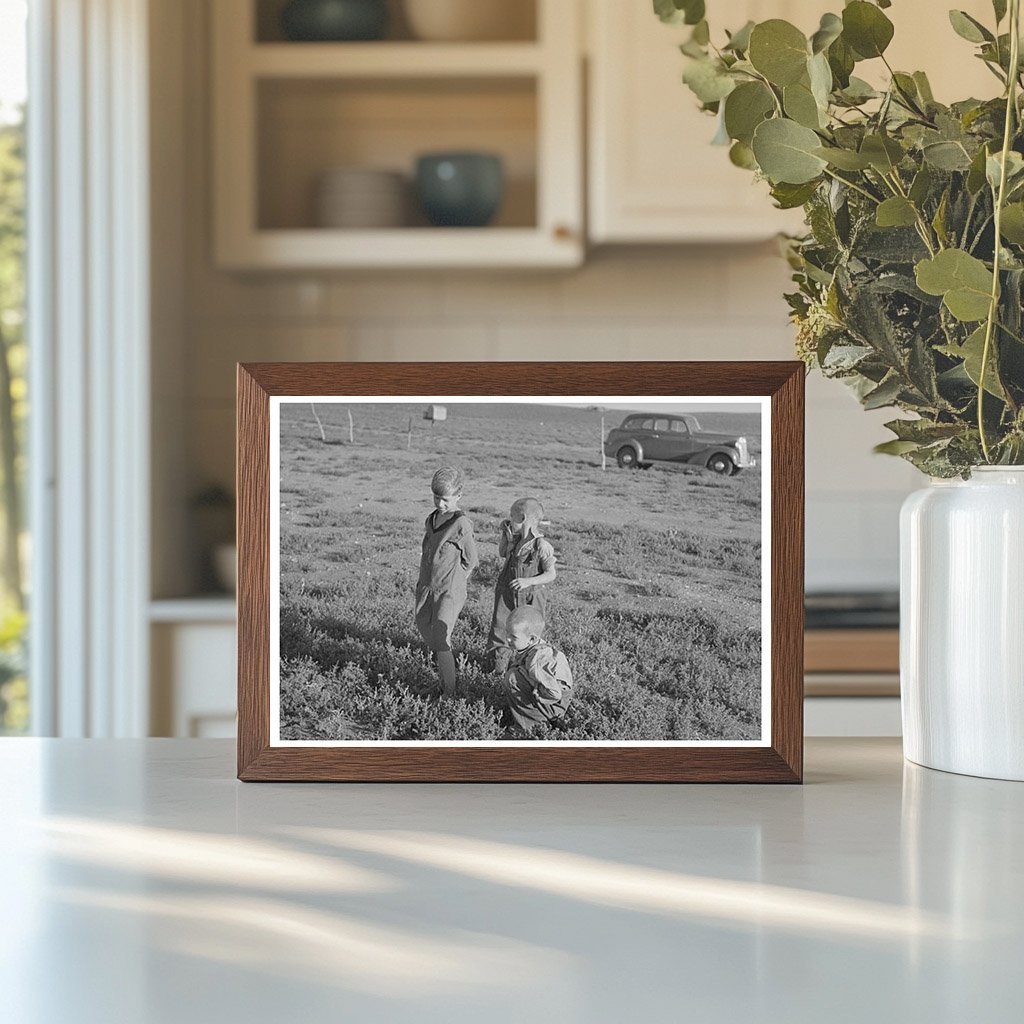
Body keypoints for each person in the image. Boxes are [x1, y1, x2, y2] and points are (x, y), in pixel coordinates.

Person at [415, 466, 478, 696]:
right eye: (436, 497)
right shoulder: (432, 518)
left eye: (445, 499)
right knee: (427, 629)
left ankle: (449, 693)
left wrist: (455, 581)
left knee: (442, 639)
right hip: (427, 586)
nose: (440, 504)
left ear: (458, 497)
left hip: (448, 591)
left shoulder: (461, 523)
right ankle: (441, 683)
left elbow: (471, 560)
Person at [487, 497, 557, 674]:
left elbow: (551, 574)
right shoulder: (515, 539)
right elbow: (503, 553)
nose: (509, 519)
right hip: (507, 592)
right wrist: (505, 535)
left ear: (523, 518)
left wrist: (529, 581)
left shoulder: (541, 545)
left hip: (531, 595)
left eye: (512, 516)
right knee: (500, 628)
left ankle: (528, 670)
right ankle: (498, 669)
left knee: (529, 632)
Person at [503, 605, 573, 732]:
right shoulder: (533, 646)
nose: (507, 638)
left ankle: (530, 726)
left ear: (532, 639)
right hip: (552, 698)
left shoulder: (537, 660)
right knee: (516, 671)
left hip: (554, 703)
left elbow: (554, 694)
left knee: (513, 678)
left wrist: (538, 695)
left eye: (513, 637)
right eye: (507, 632)